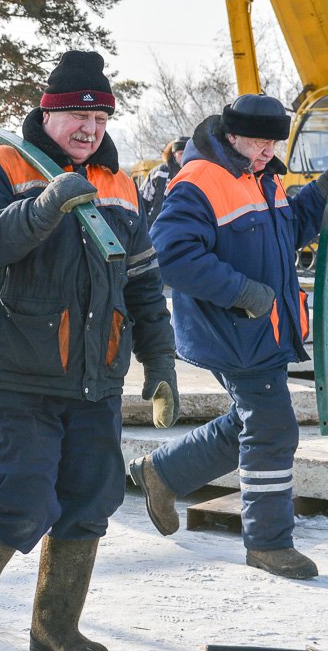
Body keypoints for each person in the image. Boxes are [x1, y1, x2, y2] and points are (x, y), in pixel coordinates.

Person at [0, 50, 177, 651]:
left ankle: (55, 631)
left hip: (96, 376)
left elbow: (144, 284)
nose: (90, 129)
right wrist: (46, 205)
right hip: (18, 371)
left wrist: (160, 362)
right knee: (23, 500)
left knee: (88, 502)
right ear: (47, 113)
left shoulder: (121, 186)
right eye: (78, 115)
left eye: (101, 118)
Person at [132, 94, 326, 581]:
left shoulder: (262, 176)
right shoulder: (199, 180)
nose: (267, 152)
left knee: (252, 418)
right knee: (274, 426)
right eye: (260, 143)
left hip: (263, 326)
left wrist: (322, 192)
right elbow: (171, 254)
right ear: (232, 135)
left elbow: (291, 229)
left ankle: (163, 472)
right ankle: (268, 543)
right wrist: (243, 293)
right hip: (236, 327)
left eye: (273, 143)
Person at [141, 134, 189, 226]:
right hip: (155, 227)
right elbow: (142, 201)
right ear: (174, 154)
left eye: (186, 153)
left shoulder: (196, 174)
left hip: (184, 228)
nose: (184, 157)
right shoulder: (160, 173)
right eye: (181, 153)